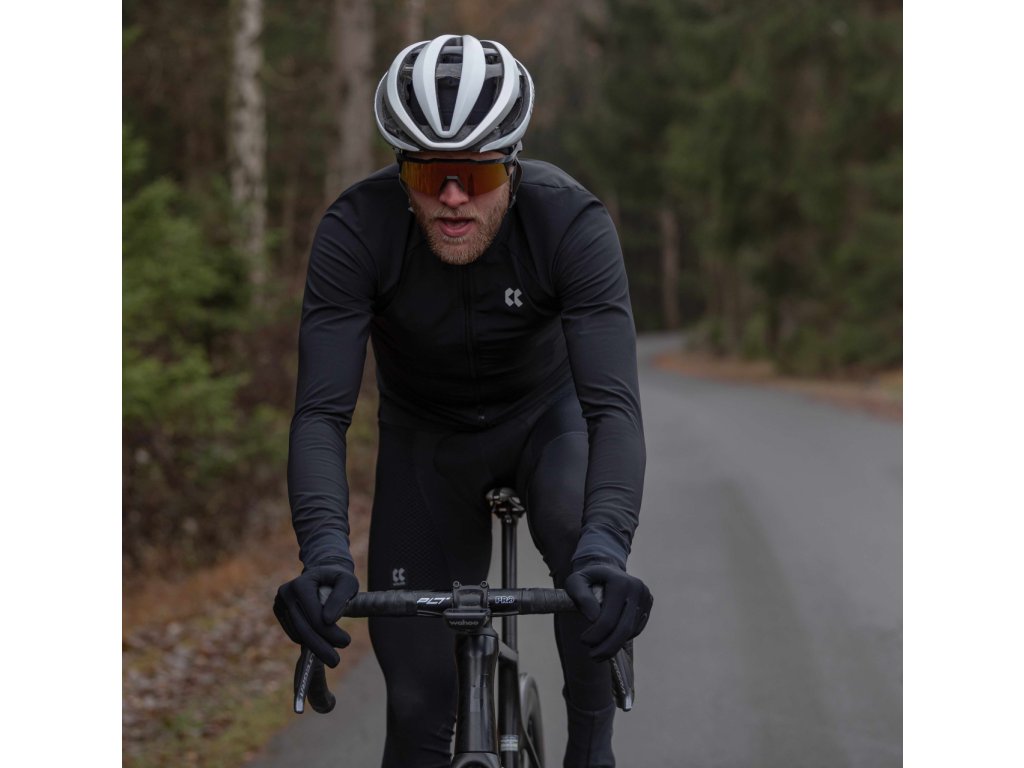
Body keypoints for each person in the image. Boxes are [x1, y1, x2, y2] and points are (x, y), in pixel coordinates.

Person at [273, 34, 653, 768]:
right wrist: (322, 553)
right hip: (426, 442)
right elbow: (321, 414)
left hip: (547, 425)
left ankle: (591, 749)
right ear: (400, 170)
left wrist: (608, 545)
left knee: (588, 573)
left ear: (512, 165)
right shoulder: (357, 230)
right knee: (417, 710)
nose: (452, 197)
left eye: (475, 174)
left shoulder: (569, 223)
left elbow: (613, 410)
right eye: (429, 172)